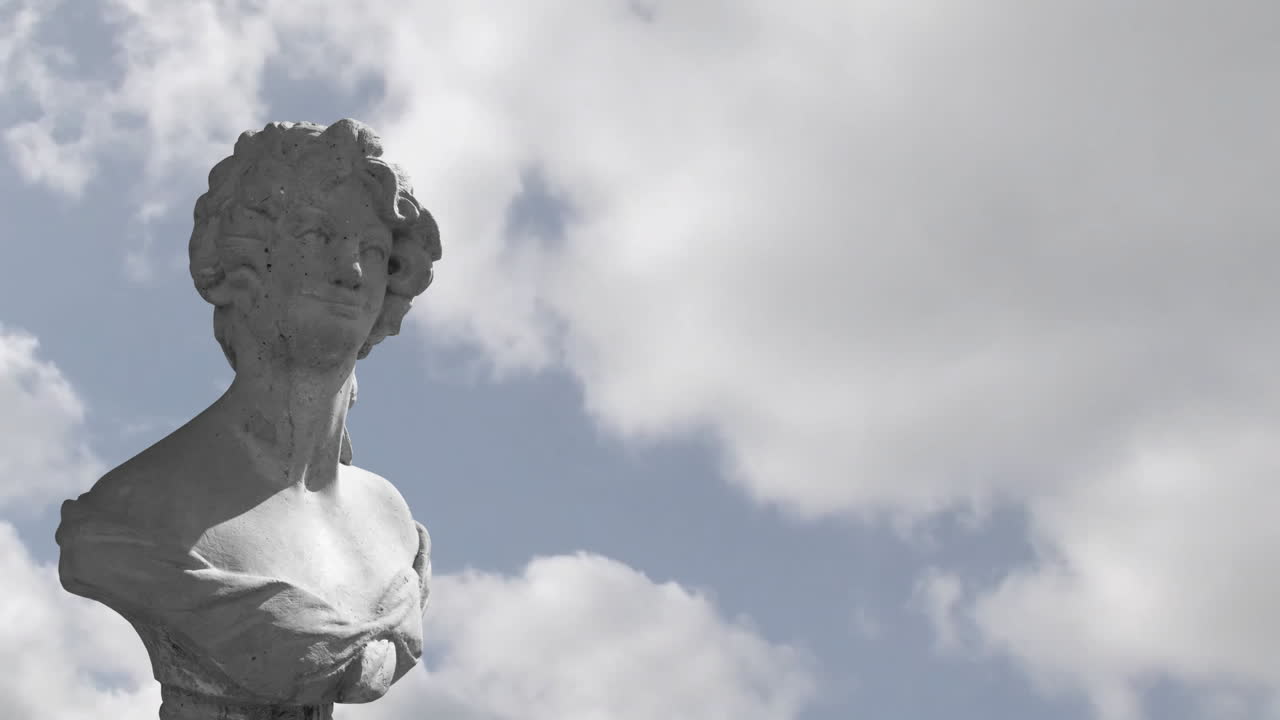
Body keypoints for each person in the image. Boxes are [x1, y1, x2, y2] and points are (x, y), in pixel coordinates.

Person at [55, 119, 441, 720]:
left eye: (372, 249)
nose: (352, 270)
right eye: (317, 235)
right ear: (241, 262)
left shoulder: (391, 522)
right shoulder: (139, 510)